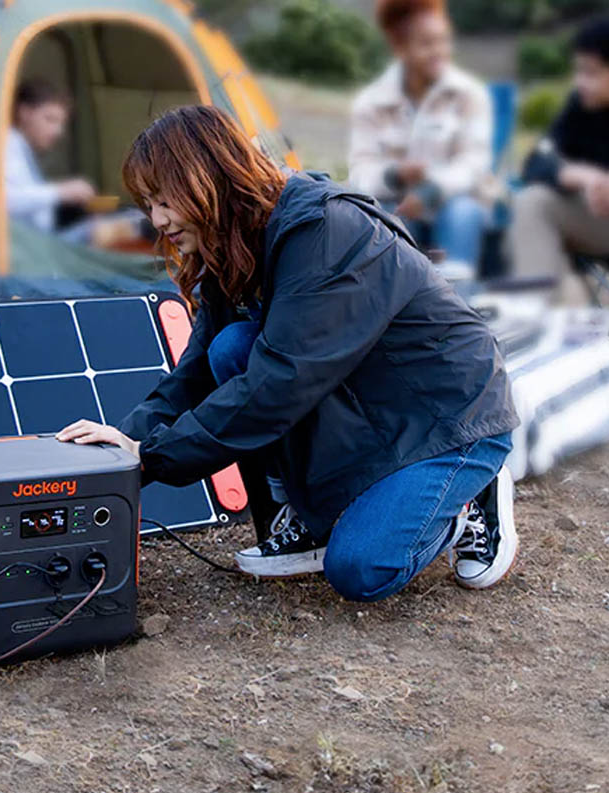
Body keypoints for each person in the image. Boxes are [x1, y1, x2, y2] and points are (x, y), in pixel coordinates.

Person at [57, 106, 520, 602]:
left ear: (206, 178)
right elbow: (196, 374)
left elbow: (282, 380)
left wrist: (154, 458)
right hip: (366, 401)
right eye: (147, 204)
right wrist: (121, 445)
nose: (157, 220)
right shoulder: (235, 238)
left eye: (163, 200)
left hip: (447, 413)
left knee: (362, 570)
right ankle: (316, 515)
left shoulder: (326, 232)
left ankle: (473, 496)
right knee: (231, 347)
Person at [349, 0, 493, 281]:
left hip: (456, 203)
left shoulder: (470, 94)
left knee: (461, 213)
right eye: (427, 44)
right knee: (386, 225)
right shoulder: (370, 103)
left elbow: (475, 164)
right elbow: (360, 174)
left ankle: (458, 304)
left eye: (443, 41)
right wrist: (395, 176)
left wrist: (430, 191)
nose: (439, 52)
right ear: (400, 48)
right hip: (398, 206)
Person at [511, 16, 609, 306]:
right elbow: (535, 164)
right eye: (579, 71)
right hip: (601, 220)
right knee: (533, 202)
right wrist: (582, 176)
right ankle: (537, 321)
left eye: (592, 73)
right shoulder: (581, 106)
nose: (580, 82)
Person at [6, 78, 97, 239]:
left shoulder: (23, 148)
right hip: (30, 250)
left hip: (44, 242)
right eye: (50, 119)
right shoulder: (7, 144)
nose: (58, 131)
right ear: (24, 113)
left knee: (125, 221)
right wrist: (61, 192)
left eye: (61, 123)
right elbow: (5, 200)